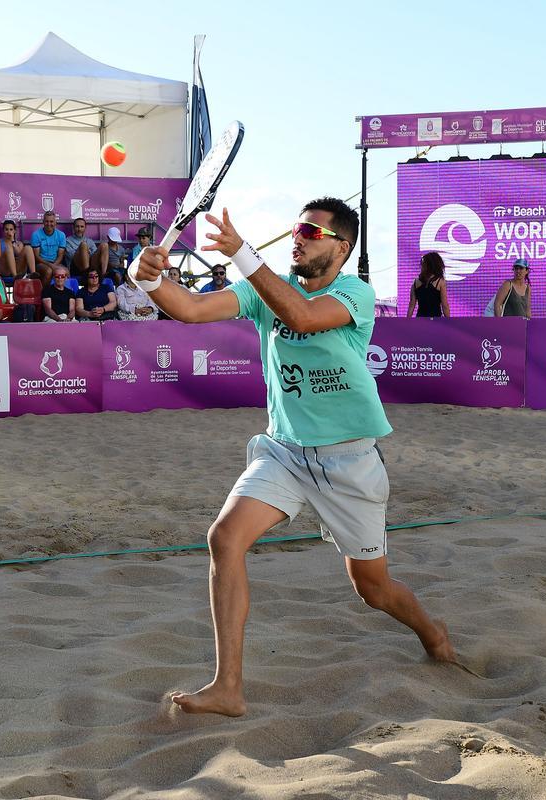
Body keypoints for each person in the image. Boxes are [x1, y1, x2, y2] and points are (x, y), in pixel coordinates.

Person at [133, 197, 456, 717]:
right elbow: (189, 308)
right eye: (296, 230)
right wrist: (145, 278)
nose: (298, 238)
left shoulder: (355, 292)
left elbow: (302, 318)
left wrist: (242, 252)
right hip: (284, 452)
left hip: (349, 462)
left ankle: (431, 632)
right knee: (224, 538)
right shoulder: (264, 289)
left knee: (373, 590)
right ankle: (228, 688)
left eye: (311, 231)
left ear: (341, 248)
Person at [407, 252, 450, 318]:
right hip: (436, 320)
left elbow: (411, 305)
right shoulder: (440, 281)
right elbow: (445, 305)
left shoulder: (415, 282)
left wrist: (407, 321)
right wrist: (449, 321)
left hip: (420, 319)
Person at [31, 210, 67, 286]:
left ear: (55, 222)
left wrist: (54, 265)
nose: (49, 224)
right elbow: (36, 257)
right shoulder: (36, 234)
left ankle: (63, 293)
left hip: (56, 262)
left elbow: (60, 255)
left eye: (51, 221)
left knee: (66, 272)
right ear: (43, 222)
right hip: (41, 263)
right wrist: (51, 266)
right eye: (47, 221)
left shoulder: (61, 235)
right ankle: (44, 292)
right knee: (49, 271)